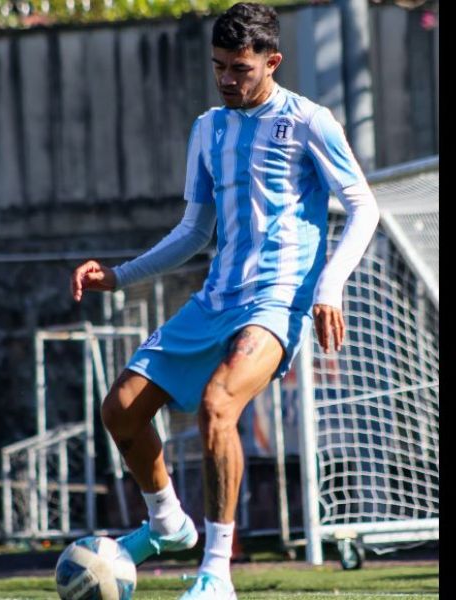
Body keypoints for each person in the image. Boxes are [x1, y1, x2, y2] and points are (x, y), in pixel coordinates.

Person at [70, 3, 379, 598]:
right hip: (217, 297)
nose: (228, 79)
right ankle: (167, 524)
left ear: (273, 62)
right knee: (121, 409)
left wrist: (329, 284)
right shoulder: (208, 128)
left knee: (217, 405)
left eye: (240, 68)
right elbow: (194, 231)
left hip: (277, 300)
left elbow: (363, 206)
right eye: (219, 67)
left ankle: (216, 572)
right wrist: (119, 275)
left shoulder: (310, 121)